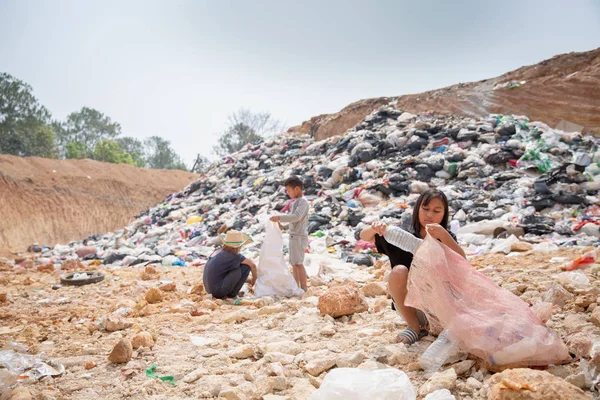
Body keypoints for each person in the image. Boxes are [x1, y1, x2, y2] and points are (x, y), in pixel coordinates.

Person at [360, 189, 465, 345]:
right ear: (417, 209)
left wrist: (443, 235)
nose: (430, 215)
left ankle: (435, 325)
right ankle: (414, 327)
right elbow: (363, 236)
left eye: (436, 211)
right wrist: (375, 227)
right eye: (425, 209)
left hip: (438, 306)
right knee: (399, 271)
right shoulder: (403, 234)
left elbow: (462, 261)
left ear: (444, 214)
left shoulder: (445, 237)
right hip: (409, 307)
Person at [270, 176, 309, 291]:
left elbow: (297, 217)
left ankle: (304, 287)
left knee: (298, 263)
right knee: (294, 263)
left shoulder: (303, 203)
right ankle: (295, 286)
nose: (288, 193)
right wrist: (284, 226)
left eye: (289, 190)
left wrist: (280, 217)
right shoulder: (294, 203)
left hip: (299, 236)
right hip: (294, 235)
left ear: (297, 189)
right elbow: (293, 220)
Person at [203, 230, 258, 299]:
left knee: (238, 267)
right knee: (245, 267)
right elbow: (252, 265)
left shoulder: (218, 251)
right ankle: (232, 294)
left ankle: (230, 292)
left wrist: (249, 280)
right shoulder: (233, 255)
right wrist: (254, 280)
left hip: (209, 289)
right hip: (217, 292)